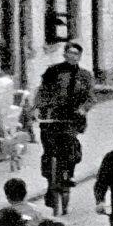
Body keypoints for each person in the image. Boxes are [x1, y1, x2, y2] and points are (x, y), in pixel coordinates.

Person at [35, 39, 96, 213]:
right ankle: (50, 183)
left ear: (80, 57)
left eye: (76, 54)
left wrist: (83, 109)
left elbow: (91, 97)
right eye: (70, 52)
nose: (73, 56)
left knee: (71, 148)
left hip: (73, 119)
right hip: (52, 117)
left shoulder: (85, 76)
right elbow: (42, 91)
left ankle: (69, 174)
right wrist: (38, 108)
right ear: (64, 54)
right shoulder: (52, 71)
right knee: (48, 150)